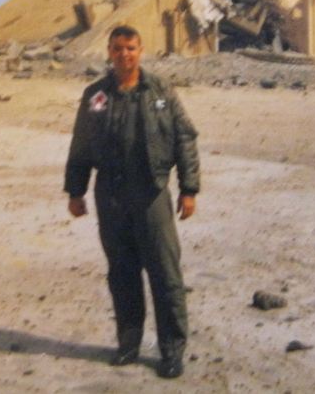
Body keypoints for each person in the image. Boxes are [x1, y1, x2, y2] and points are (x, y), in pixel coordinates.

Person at [64, 25, 200, 379]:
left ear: (141, 50)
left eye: (131, 48)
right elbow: (80, 144)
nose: (124, 54)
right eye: (117, 48)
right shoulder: (96, 96)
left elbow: (184, 138)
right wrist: (75, 191)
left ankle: (171, 349)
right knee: (122, 273)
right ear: (108, 52)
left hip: (151, 193)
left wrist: (189, 188)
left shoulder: (161, 91)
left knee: (165, 274)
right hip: (110, 195)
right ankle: (128, 343)